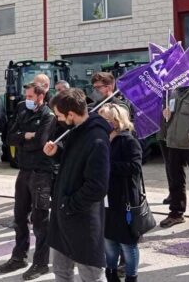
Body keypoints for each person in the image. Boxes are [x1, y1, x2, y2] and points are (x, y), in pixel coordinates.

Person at [44, 88, 111, 282]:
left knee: (91, 276)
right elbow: (72, 163)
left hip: (82, 221)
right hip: (62, 218)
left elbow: (97, 186)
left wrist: (68, 205)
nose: (58, 120)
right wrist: (57, 152)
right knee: (61, 272)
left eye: (59, 116)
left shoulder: (97, 139)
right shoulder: (76, 131)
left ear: (71, 114)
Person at [0, 82, 54, 281]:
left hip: (41, 173)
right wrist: (24, 136)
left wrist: (23, 139)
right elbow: (9, 138)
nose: (27, 100)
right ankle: (19, 256)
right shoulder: (22, 110)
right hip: (24, 170)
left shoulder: (48, 115)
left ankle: (40, 263)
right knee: (19, 217)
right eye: (27, 96)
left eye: (30, 96)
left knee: (40, 221)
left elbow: (40, 143)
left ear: (41, 96)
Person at [99, 104, 142, 282]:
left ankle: (131, 277)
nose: (104, 123)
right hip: (106, 198)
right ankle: (111, 275)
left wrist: (107, 165)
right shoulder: (102, 139)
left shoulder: (128, 140)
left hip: (124, 199)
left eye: (107, 120)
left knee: (127, 244)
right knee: (109, 241)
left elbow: (135, 167)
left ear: (116, 121)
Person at [160, 84, 189, 231]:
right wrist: (167, 115)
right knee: (175, 181)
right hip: (173, 144)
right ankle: (176, 213)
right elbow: (172, 116)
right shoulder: (173, 93)